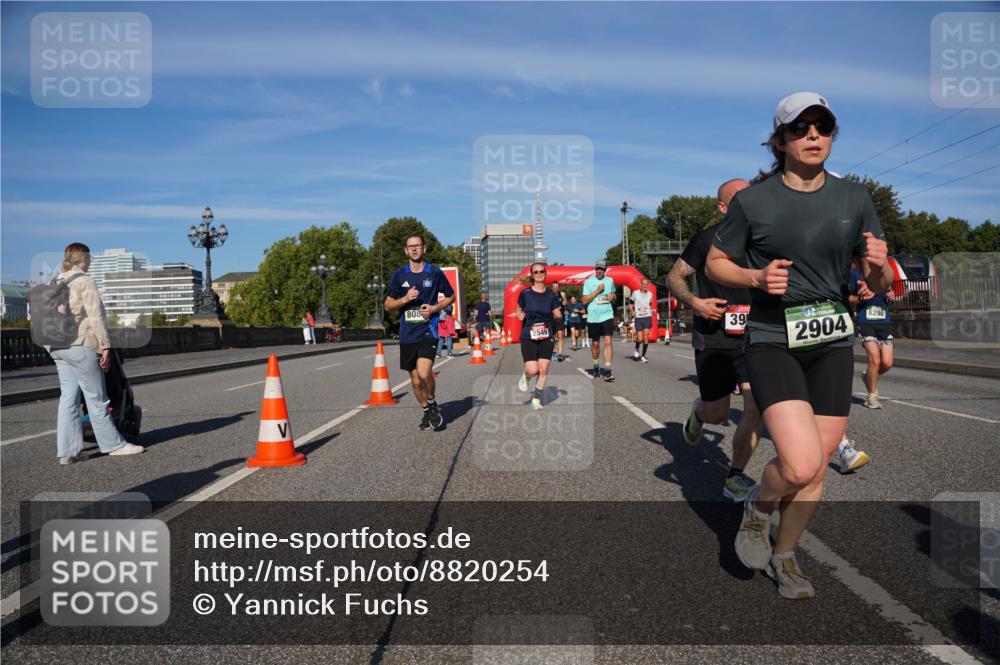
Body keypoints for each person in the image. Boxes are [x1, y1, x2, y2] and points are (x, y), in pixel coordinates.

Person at [707, 92, 890, 599]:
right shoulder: (754, 200)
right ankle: (759, 508)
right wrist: (755, 276)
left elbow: (877, 284)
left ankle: (785, 556)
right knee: (801, 462)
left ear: (832, 136)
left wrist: (877, 262)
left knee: (817, 468)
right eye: (800, 128)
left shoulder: (855, 198)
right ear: (780, 139)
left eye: (824, 127)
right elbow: (715, 263)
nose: (813, 135)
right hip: (772, 338)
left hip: (831, 339)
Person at [668, 178, 762, 502]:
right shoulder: (706, 239)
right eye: (739, 198)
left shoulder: (765, 241)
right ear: (722, 207)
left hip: (755, 337)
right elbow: (674, 276)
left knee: (755, 405)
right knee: (718, 413)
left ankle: (734, 476)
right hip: (715, 339)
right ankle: (699, 413)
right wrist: (696, 303)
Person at [47, 243, 144, 463]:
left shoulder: (55, 282)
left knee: (68, 400)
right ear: (84, 259)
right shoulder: (84, 281)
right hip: (80, 345)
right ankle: (113, 444)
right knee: (96, 398)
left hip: (57, 348)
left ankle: (67, 452)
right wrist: (105, 345)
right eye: (89, 258)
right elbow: (96, 317)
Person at [384, 234, 455, 431]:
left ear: (424, 249)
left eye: (418, 246)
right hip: (407, 334)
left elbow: (451, 297)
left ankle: (432, 403)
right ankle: (426, 411)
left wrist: (433, 309)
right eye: (410, 247)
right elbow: (388, 305)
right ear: (406, 251)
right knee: (415, 380)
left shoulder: (434, 272)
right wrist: (405, 299)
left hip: (428, 330)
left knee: (424, 373)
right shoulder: (399, 275)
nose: (414, 249)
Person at [516, 263, 563, 410]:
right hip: (529, 334)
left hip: (546, 333)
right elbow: (518, 312)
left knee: (544, 368)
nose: (539, 273)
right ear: (532, 274)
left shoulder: (551, 295)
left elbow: (556, 311)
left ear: (545, 273)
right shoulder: (525, 294)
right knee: (532, 370)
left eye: (541, 271)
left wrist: (558, 314)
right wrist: (522, 316)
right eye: (535, 272)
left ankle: (536, 399)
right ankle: (526, 376)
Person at [850, 262, 894, 410]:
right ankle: (872, 397)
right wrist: (861, 298)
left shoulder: (882, 272)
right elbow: (847, 298)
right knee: (874, 359)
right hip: (865, 321)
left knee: (887, 363)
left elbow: (889, 290)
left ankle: (868, 375)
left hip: (884, 321)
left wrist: (891, 294)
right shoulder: (854, 273)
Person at [582, 260, 617, 381]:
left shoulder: (610, 280)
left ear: (605, 270)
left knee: (608, 342)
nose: (600, 271)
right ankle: (596, 366)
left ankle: (607, 370)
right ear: (595, 269)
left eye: (602, 269)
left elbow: (613, 294)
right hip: (593, 317)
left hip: (607, 315)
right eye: (598, 268)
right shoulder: (588, 282)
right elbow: (584, 300)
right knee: (595, 344)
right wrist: (597, 291)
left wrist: (612, 296)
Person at [631, 279, 656, 363]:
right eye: (643, 284)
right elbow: (630, 304)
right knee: (640, 338)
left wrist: (652, 310)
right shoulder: (635, 293)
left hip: (647, 317)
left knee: (646, 337)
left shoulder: (650, 294)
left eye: (646, 285)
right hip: (638, 317)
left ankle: (643, 356)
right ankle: (637, 347)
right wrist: (632, 311)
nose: (645, 286)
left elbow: (650, 305)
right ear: (641, 284)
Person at [549, 281, 567, 362]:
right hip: (551, 318)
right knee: (552, 337)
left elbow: (565, 303)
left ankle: (559, 354)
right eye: (554, 287)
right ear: (552, 287)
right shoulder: (548, 294)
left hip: (560, 318)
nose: (556, 289)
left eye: (557, 287)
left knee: (560, 335)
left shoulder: (562, 294)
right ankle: (552, 352)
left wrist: (564, 298)